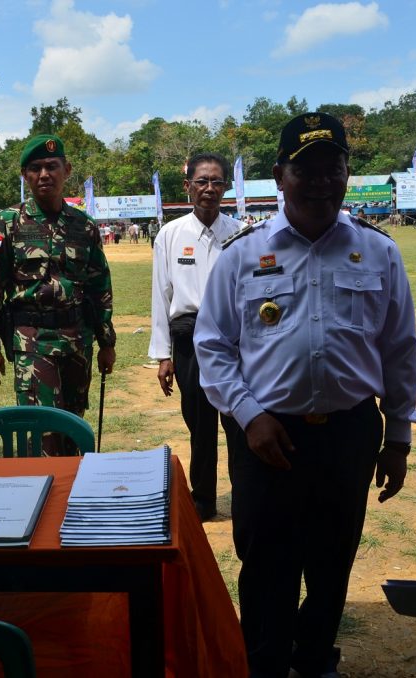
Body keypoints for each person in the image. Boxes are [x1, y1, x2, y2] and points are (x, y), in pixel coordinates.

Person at [195, 112, 416, 677]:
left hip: (349, 435)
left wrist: (398, 438)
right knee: (266, 563)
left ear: (346, 172)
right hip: (266, 437)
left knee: (331, 561)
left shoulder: (379, 252)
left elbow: (400, 349)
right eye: (306, 169)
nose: (321, 180)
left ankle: (316, 658)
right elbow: (213, 346)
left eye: (333, 167)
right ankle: (265, 664)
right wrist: (249, 416)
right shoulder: (242, 256)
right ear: (279, 175)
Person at [0, 133, 116, 454]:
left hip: (78, 340)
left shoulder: (84, 226)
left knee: (74, 427)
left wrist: (106, 342)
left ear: (66, 170)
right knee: (43, 430)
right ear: (25, 175)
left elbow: (100, 288)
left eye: (52, 167)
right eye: (36, 168)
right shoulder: (7, 223)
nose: (44, 175)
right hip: (31, 339)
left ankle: (73, 497)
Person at [149, 152, 243, 521]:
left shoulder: (239, 234)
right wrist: (163, 356)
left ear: (226, 188)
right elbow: (162, 295)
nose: (209, 189)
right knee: (200, 425)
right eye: (201, 182)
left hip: (235, 342)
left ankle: (245, 493)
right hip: (190, 339)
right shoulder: (170, 235)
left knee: (238, 421)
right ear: (187, 186)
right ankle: (203, 500)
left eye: (217, 182)